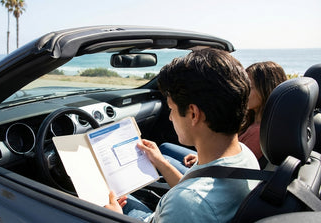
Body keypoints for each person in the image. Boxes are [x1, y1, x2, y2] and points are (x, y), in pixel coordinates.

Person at [105, 48, 260, 222]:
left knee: (102, 197)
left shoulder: (186, 203)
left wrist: (114, 218)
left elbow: (189, 200)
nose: (170, 117)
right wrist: (161, 162)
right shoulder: (244, 155)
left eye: (171, 109)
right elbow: (192, 189)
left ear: (193, 114)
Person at [160, 61, 287, 171]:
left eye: (250, 87)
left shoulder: (258, 133)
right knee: (164, 147)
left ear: (267, 90)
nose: (243, 91)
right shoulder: (254, 121)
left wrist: (163, 164)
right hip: (216, 162)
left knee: (162, 158)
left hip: (216, 171)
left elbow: (230, 168)